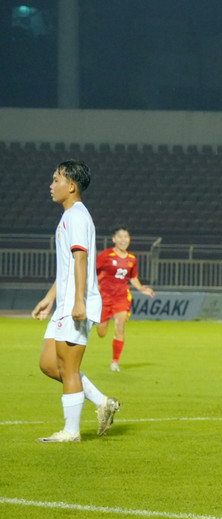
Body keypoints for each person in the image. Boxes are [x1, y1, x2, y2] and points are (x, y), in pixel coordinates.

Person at [31, 160, 121, 443]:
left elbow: (81, 259)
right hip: (65, 304)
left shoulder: (78, 216)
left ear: (71, 186)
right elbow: (69, 265)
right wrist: (49, 298)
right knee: (48, 364)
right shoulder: (69, 215)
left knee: (68, 368)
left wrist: (78, 302)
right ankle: (102, 402)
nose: (51, 185)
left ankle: (71, 432)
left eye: (56, 179)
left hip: (75, 305)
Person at [96, 225, 156, 371]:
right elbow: (92, 272)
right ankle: (103, 322)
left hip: (121, 297)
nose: (123, 240)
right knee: (101, 332)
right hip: (103, 298)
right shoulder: (105, 256)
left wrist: (141, 288)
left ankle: (114, 362)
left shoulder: (131, 259)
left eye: (126, 237)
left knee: (119, 327)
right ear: (114, 239)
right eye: (120, 237)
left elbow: (133, 277)